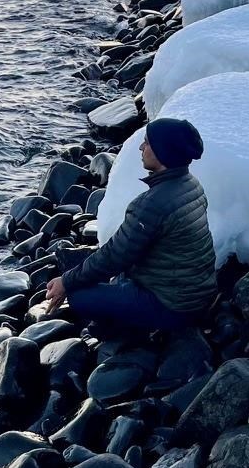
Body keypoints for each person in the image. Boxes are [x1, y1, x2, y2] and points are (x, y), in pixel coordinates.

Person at [44, 116, 216, 334]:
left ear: (163, 152)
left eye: (148, 143)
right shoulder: (191, 184)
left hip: (172, 307)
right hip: (198, 294)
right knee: (115, 278)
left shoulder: (152, 204)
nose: (141, 147)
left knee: (78, 296)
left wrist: (66, 282)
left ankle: (138, 333)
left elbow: (114, 256)